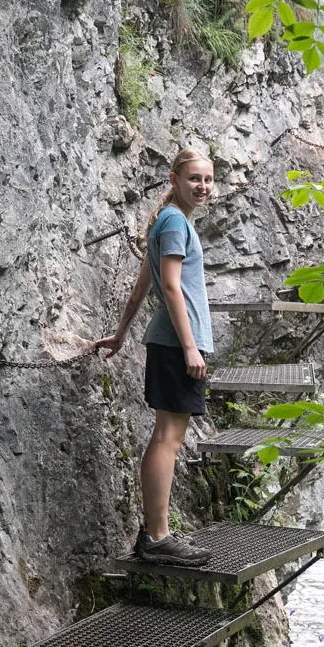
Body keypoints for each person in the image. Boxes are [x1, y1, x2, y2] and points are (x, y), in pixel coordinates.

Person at [96, 148, 215, 566]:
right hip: (176, 345)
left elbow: (139, 287)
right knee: (168, 437)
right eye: (194, 178)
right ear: (174, 179)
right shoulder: (174, 221)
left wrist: (120, 333)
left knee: (167, 435)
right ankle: (158, 538)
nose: (202, 186)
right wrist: (189, 347)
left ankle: (155, 534)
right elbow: (169, 286)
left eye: (207, 179)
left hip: (171, 343)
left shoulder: (168, 222)